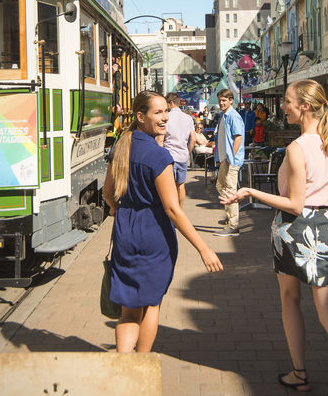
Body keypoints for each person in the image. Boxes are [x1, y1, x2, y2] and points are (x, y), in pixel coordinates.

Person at [220, 79, 328, 395]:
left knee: (290, 300)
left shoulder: (297, 148)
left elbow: (295, 202)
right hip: (327, 229)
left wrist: (249, 191)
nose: (284, 107)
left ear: (304, 106)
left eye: (288, 101)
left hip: (295, 229)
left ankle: (299, 373)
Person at [102, 91, 223, 353]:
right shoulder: (158, 157)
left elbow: (107, 194)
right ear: (140, 116)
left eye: (165, 111)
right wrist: (203, 247)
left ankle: (124, 366)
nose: (165, 117)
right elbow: (172, 209)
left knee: (129, 311)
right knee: (152, 305)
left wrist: (115, 210)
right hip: (153, 233)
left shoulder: (120, 147)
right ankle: (141, 366)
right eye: (158, 112)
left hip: (125, 230)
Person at [214, 89, 245, 237]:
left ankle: (233, 225)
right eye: (220, 100)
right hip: (224, 159)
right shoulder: (224, 116)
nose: (221, 103)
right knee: (221, 186)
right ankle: (231, 220)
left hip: (230, 161)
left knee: (230, 190)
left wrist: (230, 158)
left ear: (231, 100)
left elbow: (238, 137)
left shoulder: (233, 116)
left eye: (224, 100)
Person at [163, 93, 195, 207]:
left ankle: (171, 212)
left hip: (168, 156)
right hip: (182, 156)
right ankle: (179, 210)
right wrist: (188, 152)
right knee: (181, 185)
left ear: (171, 103)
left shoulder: (166, 117)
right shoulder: (188, 118)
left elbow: (161, 137)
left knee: (168, 186)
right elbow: (193, 139)